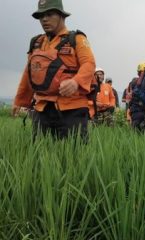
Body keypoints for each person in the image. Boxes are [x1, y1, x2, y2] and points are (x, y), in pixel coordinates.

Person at [12, 0, 95, 140]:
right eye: (41, 16)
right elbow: (29, 73)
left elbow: (89, 63)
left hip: (72, 110)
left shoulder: (77, 39)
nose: (44, 19)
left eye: (50, 14)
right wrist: (20, 101)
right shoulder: (36, 43)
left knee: (73, 155)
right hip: (42, 109)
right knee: (42, 155)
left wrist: (75, 82)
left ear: (62, 16)